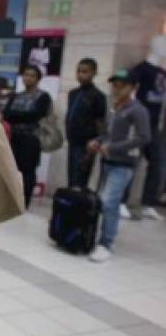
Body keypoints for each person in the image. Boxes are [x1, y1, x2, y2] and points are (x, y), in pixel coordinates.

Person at [87, 69, 151, 263]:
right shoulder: (115, 108)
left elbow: (143, 137)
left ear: (133, 88)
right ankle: (102, 238)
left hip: (124, 164)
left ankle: (106, 243)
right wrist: (98, 141)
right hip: (107, 161)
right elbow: (109, 134)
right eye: (115, 85)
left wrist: (113, 147)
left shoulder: (137, 110)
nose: (117, 89)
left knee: (109, 202)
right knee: (105, 201)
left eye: (122, 85)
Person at [126, 36, 166, 220]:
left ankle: (148, 203)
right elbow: (128, 91)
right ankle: (121, 202)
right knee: (131, 163)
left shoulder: (162, 72)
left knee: (156, 163)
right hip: (138, 124)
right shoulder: (140, 70)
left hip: (154, 125)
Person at [3, 64, 52, 207]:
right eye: (26, 75)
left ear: (38, 79)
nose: (28, 78)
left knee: (28, 170)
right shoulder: (16, 96)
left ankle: (25, 201)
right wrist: (20, 116)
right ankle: (12, 200)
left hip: (31, 138)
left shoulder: (43, 97)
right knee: (12, 169)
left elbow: (35, 115)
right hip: (14, 137)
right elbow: (7, 114)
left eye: (32, 75)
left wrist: (16, 116)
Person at [65, 58, 107, 189]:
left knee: (80, 178)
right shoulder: (73, 93)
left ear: (94, 73)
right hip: (72, 141)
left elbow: (100, 121)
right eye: (79, 71)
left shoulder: (98, 96)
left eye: (85, 71)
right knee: (71, 177)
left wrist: (97, 142)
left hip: (86, 144)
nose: (81, 74)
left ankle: (78, 206)